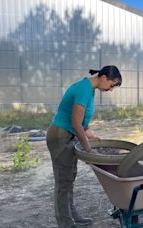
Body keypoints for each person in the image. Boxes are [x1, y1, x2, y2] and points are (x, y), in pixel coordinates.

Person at [46, 65, 122, 228]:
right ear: (104, 78)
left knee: (70, 177)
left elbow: (81, 121)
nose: (111, 89)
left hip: (68, 135)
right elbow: (75, 122)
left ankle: (72, 216)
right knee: (63, 181)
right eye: (112, 85)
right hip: (60, 136)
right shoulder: (84, 89)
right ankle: (65, 222)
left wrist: (91, 135)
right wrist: (88, 149)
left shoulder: (89, 89)